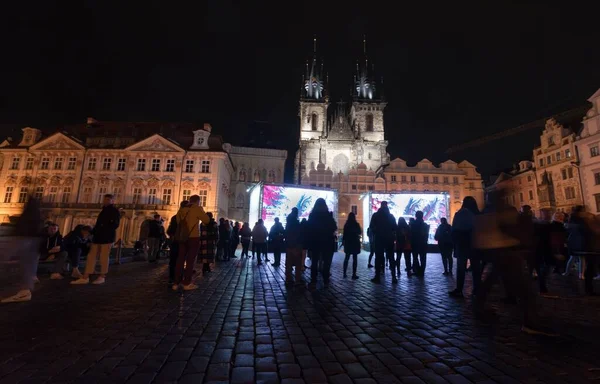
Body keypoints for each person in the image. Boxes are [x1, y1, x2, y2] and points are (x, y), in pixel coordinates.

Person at [1, 197, 44, 303]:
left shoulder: (28, 215)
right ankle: (24, 291)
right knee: (27, 265)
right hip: (30, 240)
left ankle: (23, 291)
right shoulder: (38, 216)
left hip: (23, 238)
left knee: (9, 258)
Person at [72, 194, 121, 285]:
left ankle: (102, 276)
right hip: (98, 237)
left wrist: (104, 229)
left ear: (113, 201)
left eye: (108, 199)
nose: (106, 201)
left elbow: (115, 225)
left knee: (103, 258)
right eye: (105, 199)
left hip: (107, 238)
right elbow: (99, 225)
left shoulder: (114, 211)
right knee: (91, 256)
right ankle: (86, 276)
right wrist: (93, 232)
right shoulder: (103, 211)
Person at [172, 195, 210, 291]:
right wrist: (201, 210)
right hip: (193, 237)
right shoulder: (196, 208)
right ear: (198, 201)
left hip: (182, 237)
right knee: (190, 260)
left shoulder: (182, 209)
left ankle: (176, 283)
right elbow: (206, 220)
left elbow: (178, 221)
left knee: (180, 259)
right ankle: (186, 283)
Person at [448, 196, 480, 297]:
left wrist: (454, 242)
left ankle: (459, 289)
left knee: (461, 268)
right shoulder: (477, 214)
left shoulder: (459, 213)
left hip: (462, 243)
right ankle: (477, 289)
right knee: (476, 268)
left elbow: (454, 230)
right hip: (475, 242)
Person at [306, 198, 337, 289]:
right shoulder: (328, 215)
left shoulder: (312, 215)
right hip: (327, 241)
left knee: (314, 261)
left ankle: (313, 281)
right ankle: (326, 280)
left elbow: (309, 228)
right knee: (326, 262)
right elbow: (334, 227)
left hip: (315, 241)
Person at [369, 201, 398, 284]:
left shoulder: (376, 215)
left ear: (381, 206)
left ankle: (377, 276)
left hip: (379, 238)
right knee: (391, 257)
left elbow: (372, 227)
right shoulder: (391, 216)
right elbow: (395, 227)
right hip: (389, 238)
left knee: (378, 258)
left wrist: (377, 231)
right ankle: (393, 277)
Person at [166, 201, 188, 285]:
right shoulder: (186, 218)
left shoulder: (175, 217)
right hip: (182, 241)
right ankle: (179, 276)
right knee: (181, 259)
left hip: (175, 241)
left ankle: (172, 277)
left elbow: (170, 230)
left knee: (173, 260)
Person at [284, 208, 304, 285]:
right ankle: (297, 279)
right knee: (298, 263)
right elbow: (298, 234)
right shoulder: (296, 223)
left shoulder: (288, 222)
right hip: (296, 244)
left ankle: (288, 278)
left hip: (289, 244)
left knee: (289, 262)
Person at [410, 211, 429, 277]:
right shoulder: (425, 225)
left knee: (415, 258)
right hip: (423, 243)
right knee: (423, 258)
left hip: (415, 243)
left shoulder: (413, 224)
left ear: (416, 215)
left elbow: (410, 234)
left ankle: (418, 271)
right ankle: (422, 272)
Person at [342, 212, 362, 279]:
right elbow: (359, 232)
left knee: (346, 258)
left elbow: (344, 234)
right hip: (355, 242)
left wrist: (343, 242)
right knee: (355, 259)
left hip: (348, 242)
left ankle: (344, 273)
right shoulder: (356, 224)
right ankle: (354, 274)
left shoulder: (346, 225)